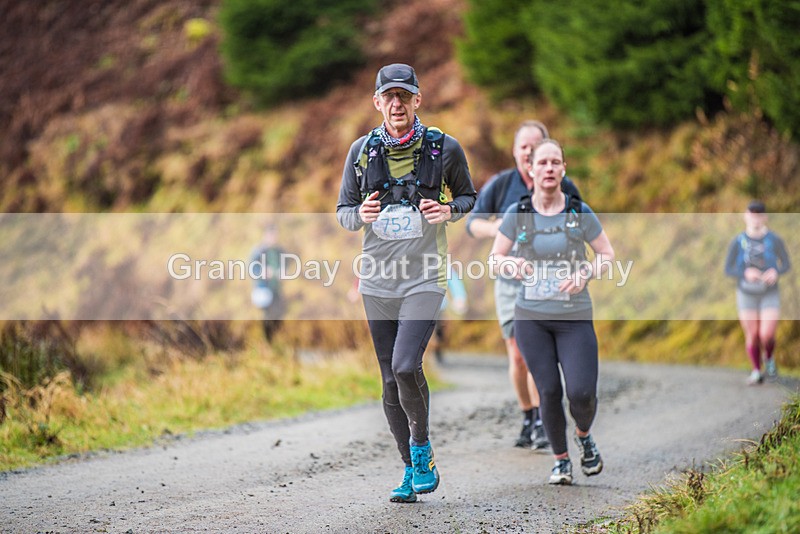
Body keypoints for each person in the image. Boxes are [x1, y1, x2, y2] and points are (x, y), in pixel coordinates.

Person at [336, 63, 476, 503]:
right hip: (377, 281)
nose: (396, 104)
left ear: (418, 99)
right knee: (387, 379)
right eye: (388, 96)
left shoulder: (443, 148)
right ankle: (408, 469)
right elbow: (343, 210)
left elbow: (469, 196)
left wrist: (448, 211)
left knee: (403, 366)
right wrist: (360, 215)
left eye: (404, 95)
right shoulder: (361, 151)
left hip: (424, 278)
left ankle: (421, 449)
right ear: (377, 102)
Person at [489, 138, 614, 485]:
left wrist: (585, 272)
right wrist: (512, 265)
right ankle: (561, 460)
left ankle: (584, 435)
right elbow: (494, 259)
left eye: (554, 162)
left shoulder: (578, 212)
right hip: (531, 318)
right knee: (547, 391)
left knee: (581, 393)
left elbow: (607, 256)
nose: (548, 168)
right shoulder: (518, 213)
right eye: (541, 162)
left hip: (574, 318)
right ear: (530, 169)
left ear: (563, 169)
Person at [466, 120, 582, 451]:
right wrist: (497, 229)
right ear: (517, 153)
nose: (530, 153)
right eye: (524, 147)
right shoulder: (501, 185)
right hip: (509, 280)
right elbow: (472, 224)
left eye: (536, 146)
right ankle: (529, 415)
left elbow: (582, 226)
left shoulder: (565, 185)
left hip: (550, 283)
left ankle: (546, 419)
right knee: (518, 355)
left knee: (540, 353)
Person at [724, 200, 791, 385]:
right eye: (752, 214)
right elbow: (728, 269)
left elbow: (786, 264)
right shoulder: (737, 242)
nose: (755, 218)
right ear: (745, 216)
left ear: (765, 217)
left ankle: (768, 357)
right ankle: (756, 370)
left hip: (769, 292)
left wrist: (776, 272)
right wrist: (744, 273)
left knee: (767, 334)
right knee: (752, 335)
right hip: (746, 294)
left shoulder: (774, 239)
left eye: (759, 215)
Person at [250, 224, 287, 342]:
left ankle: (275, 339)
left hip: (276, 288)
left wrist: (284, 273)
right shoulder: (259, 251)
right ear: (266, 236)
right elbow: (252, 268)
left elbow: (285, 265)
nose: (273, 238)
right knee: (268, 315)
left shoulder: (279, 251)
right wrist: (262, 272)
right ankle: (267, 340)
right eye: (271, 235)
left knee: (280, 312)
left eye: (275, 235)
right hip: (264, 289)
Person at [432, 269, 468, 363]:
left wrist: (459, 298)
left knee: (438, 330)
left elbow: (454, 281)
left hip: (438, 306)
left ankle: (437, 349)